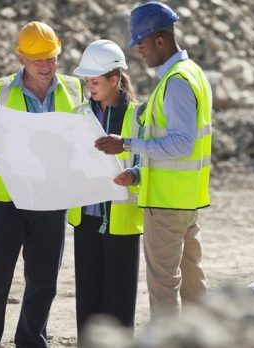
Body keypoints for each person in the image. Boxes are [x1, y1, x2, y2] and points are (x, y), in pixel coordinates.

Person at [0, 21, 83, 347]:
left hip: (51, 200)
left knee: (43, 282)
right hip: (6, 202)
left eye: (51, 58)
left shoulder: (75, 89)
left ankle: (30, 341)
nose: (46, 66)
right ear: (21, 58)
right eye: (38, 59)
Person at [95, 1, 213, 318]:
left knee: (163, 290)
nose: (139, 52)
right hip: (186, 201)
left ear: (160, 41)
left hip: (166, 205)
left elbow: (181, 144)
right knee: (193, 285)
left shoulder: (175, 82)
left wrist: (127, 144)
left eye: (142, 44)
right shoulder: (193, 74)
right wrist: (137, 173)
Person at [67, 40, 143, 338]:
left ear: (115, 80)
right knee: (87, 298)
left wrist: (134, 175)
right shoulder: (79, 113)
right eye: (87, 81)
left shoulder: (137, 116)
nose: (89, 87)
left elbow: (146, 162)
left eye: (94, 81)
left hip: (122, 222)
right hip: (86, 218)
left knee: (119, 301)